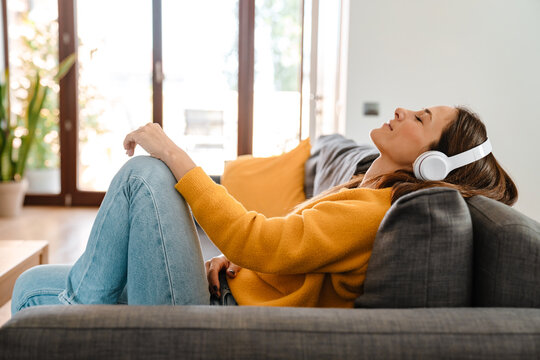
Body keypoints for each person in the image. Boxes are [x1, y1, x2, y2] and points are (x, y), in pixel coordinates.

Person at [11, 105, 517, 314]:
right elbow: (284, 252)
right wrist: (236, 266)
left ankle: (78, 326)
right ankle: (78, 317)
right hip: (219, 291)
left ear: (432, 163)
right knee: (29, 289)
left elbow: (261, 241)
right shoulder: (365, 187)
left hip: (214, 319)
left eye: (422, 117)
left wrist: (174, 152)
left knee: (147, 175)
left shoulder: (375, 209)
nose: (404, 109)